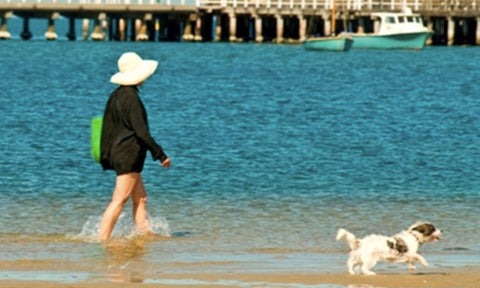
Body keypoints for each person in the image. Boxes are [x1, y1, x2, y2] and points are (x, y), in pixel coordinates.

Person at [98, 52, 170, 241]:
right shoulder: (132, 99)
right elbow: (142, 132)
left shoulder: (116, 96)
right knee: (119, 200)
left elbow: (106, 127)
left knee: (141, 198)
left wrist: (107, 155)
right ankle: (102, 240)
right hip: (128, 155)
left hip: (121, 153)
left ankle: (144, 235)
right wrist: (160, 155)